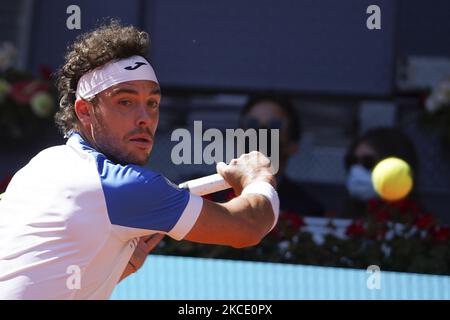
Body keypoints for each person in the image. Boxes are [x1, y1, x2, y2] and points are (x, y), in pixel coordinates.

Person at [0, 21, 279, 299]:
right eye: (125, 101)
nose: (145, 118)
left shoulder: (40, 167)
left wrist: (110, 269)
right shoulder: (124, 187)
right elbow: (248, 226)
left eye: (152, 103)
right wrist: (259, 179)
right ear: (85, 111)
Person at [343, 126, 419, 218]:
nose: (357, 170)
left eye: (368, 162)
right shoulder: (344, 220)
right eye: (352, 161)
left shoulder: (417, 225)